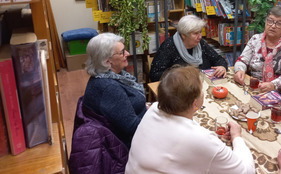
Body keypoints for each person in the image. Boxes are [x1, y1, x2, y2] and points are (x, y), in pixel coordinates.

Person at [125, 66, 255, 174]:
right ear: (195, 104)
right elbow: (246, 171)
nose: (203, 93)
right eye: (201, 90)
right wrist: (237, 137)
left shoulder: (153, 109)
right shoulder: (201, 138)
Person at [82, 33, 147, 148]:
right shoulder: (109, 88)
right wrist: (154, 115)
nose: (127, 54)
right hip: (128, 146)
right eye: (122, 52)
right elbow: (133, 128)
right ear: (107, 61)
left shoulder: (109, 76)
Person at [233, 6, 281, 106]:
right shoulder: (255, 39)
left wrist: (273, 85)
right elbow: (242, 60)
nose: (273, 26)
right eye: (270, 21)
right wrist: (240, 70)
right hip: (258, 90)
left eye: (279, 23)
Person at [150, 15, 228, 82]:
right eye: (195, 33)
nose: (200, 36)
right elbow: (155, 75)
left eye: (200, 32)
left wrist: (222, 67)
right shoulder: (169, 46)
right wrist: (178, 75)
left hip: (202, 84)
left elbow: (218, 59)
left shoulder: (200, 43)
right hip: (180, 90)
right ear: (184, 35)